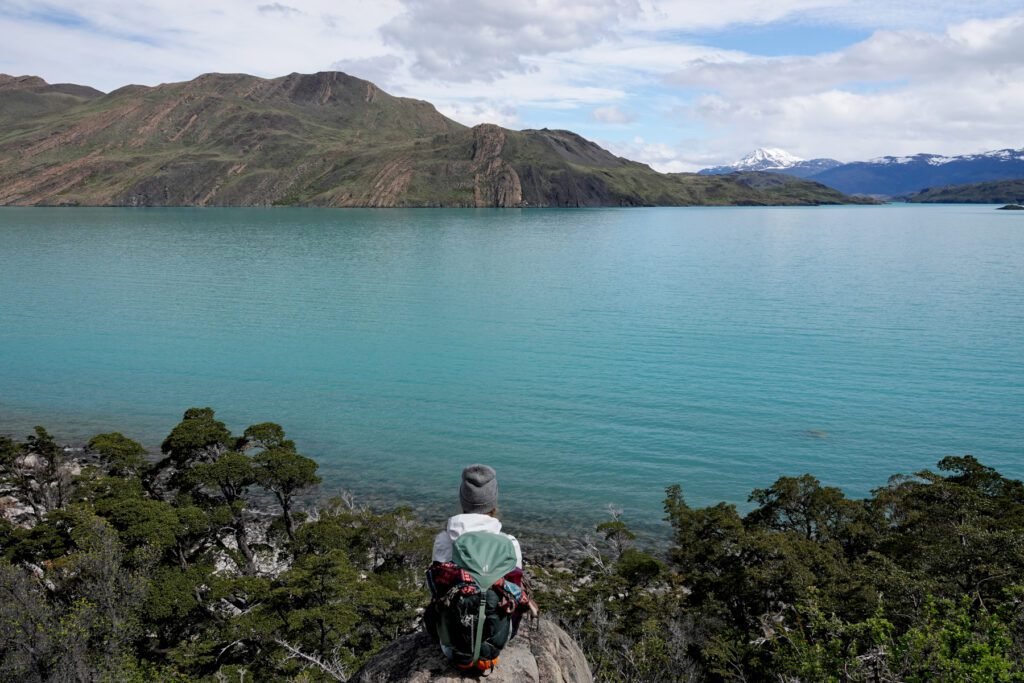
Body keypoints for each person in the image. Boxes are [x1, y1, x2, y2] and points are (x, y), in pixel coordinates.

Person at [431, 464, 523, 569]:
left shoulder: (443, 540)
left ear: (462, 501)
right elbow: (514, 583)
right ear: (493, 503)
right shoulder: (510, 545)